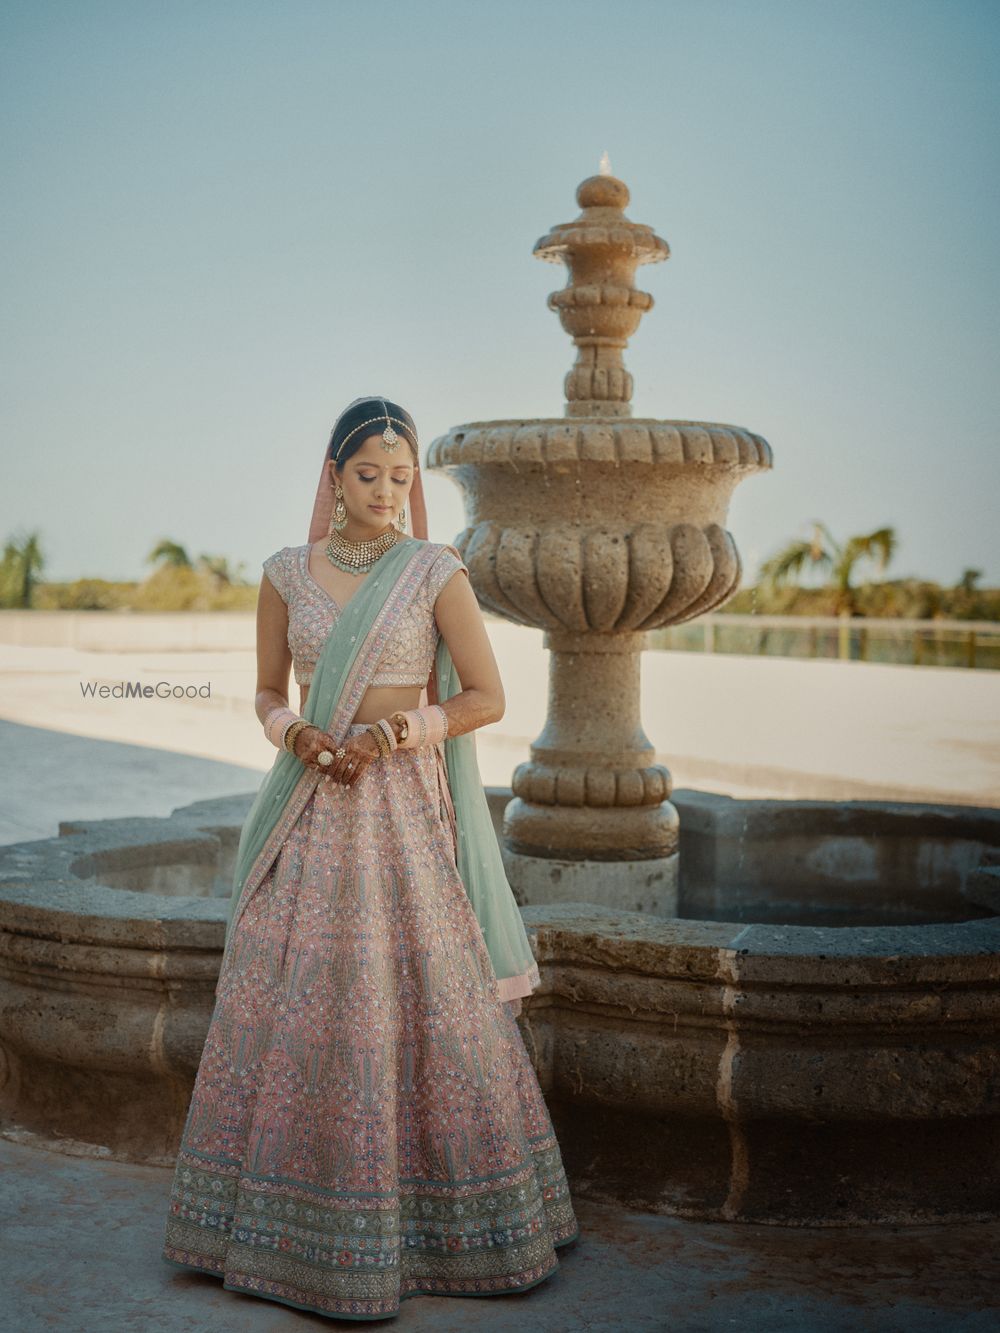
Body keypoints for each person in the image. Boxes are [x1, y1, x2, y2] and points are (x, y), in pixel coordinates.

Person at [161, 395, 579, 1319]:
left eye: (402, 475)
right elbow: (267, 691)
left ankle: (450, 1229)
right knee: (299, 994)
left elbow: (487, 696)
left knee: (429, 998)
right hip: (312, 803)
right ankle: (281, 1230)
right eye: (368, 474)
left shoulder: (434, 570)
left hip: (401, 808)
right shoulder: (284, 572)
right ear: (333, 476)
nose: (388, 491)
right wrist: (300, 735)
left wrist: (394, 731)